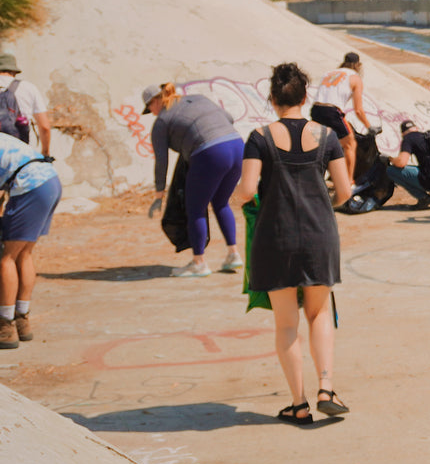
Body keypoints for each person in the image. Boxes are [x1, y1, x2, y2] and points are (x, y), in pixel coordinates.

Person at [231, 63, 353, 424]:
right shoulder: (327, 136)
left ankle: (299, 404)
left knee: (287, 325)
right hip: (320, 236)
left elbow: (248, 190)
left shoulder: (259, 137)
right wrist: (321, 205)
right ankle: (326, 388)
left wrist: (241, 196)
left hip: (275, 237)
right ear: (305, 96)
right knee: (319, 313)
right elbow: (344, 192)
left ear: (272, 99)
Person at [0, 131, 60, 349]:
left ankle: (5, 327)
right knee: (23, 254)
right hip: (49, 182)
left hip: (30, 186)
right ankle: (21, 320)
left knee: (6, 258)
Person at [143, 82, 245, 276]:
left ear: (155, 101)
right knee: (221, 202)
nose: (152, 112)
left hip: (210, 153)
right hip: (237, 146)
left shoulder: (162, 122)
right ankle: (233, 254)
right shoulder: (198, 98)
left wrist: (159, 193)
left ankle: (199, 263)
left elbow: (161, 161)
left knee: (195, 208)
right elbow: (228, 118)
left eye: (149, 108)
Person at [0, 53, 51, 151]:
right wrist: (45, 153)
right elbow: (45, 127)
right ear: (14, 71)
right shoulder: (29, 88)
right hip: (21, 151)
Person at [311, 52, 370, 184]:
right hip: (332, 111)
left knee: (323, 145)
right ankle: (348, 181)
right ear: (358, 65)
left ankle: (318, 177)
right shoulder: (355, 77)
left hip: (316, 110)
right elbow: (358, 110)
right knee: (350, 144)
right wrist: (369, 126)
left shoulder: (329, 73)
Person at [388, 120, 430, 209]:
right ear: (416, 128)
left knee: (390, 170)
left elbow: (401, 163)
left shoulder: (408, 138)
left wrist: (391, 159)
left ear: (403, 134)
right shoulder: (428, 137)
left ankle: (423, 198)